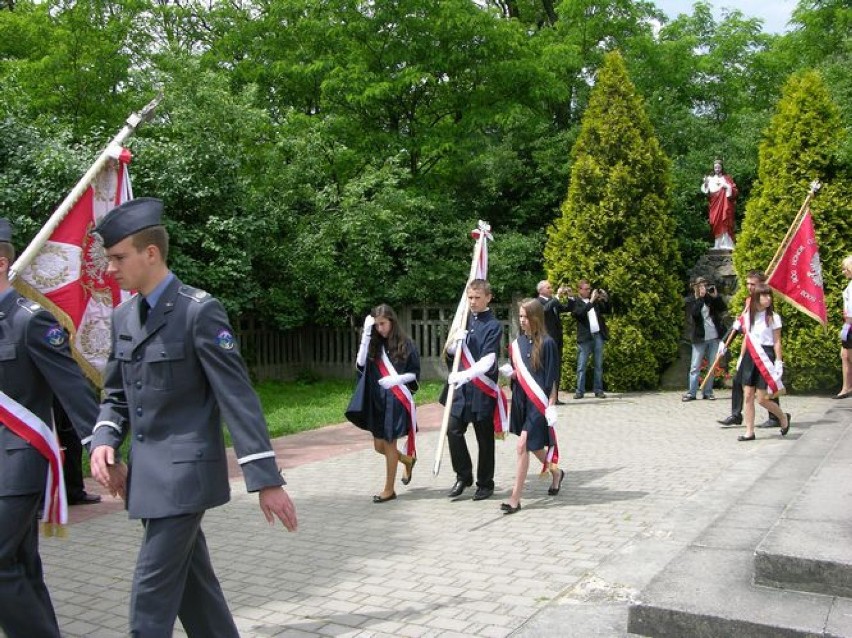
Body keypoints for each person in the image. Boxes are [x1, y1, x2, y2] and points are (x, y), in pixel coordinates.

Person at [88, 198, 297, 638]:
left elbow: (237, 397)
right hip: (148, 478)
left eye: (118, 257)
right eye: (109, 259)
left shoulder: (198, 311)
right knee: (193, 589)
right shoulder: (123, 316)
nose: (110, 269)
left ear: (151, 253)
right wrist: (105, 436)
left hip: (184, 479)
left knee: (151, 596)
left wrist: (266, 479)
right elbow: (116, 394)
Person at [0, 217, 101, 638]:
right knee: (20, 565)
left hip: (20, 461)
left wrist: (100, 444)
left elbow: (73, 388)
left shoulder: (30, 320)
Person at [345, 304, 420, 503]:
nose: (380, 328)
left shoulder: (406, 343)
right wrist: (366, 335)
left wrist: (396, 380)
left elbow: (414, 374)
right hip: (377, 399)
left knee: (388, 443)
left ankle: (389, 489)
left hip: (395, 399)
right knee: (379, 446)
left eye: (383, 324)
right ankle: (406, 459)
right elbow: (360, 365)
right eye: (376, 325)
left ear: (392, 322)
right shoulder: (373, 343)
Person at [499, 299, 564, 515]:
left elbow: (551, 378)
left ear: (536, 317)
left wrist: (552, 405)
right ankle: (556, 472)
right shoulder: (517, 343)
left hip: (538, 403)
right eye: (520, 316)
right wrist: (513, 374)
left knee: (522, 446)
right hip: (521, 401)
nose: (522, 321)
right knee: (534, 445)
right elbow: (522, 373)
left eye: (526, 317)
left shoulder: (548, 343)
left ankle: (515, 498)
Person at [444, 279, 503, 501]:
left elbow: (488, 360)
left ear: (488, 297)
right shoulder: (462, 319)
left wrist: (465, 375)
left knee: (484, 439)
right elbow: (449, 352)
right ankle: (463, 476)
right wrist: (452, 345)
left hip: (481, 389)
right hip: (461, 390)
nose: (473, 302)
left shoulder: (493, 325)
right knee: (453, 430)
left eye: (477, 297)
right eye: (470, 297)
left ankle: (485, 483)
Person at [717, 270, 781, 428]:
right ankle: (736, 414)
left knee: (767, 383)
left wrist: (779, 360)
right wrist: (725, 342)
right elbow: (741, 327)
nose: (749, 287)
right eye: (747, 284)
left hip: (764, 351)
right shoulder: (748, 302)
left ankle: (776, 416)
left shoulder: (767, 304)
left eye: (753, 284)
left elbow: (773, 335)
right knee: (739, 380)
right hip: (750, 351)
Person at [729, 284, 790, 442]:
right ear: (756, 298)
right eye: (764, 295)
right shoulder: (748, 316)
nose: (768, 298)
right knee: (748, 395)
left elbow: (777, 341)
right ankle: (749, 431)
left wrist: (778, 361)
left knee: (762, 398)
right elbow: (746, 339)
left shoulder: (773, 317)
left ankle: (783, 417)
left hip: (766, 355)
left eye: (769, 295)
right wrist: (741, 357)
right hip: (750, 355)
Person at [683, 277, 727, 401]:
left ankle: (708, 392)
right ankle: (691, 393)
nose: (704, 288)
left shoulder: (710, 299)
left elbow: (722, 308)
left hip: (714, 337)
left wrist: (716, 297)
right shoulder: (693, 300)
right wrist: (700, 298)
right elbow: (694, 314)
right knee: (695, 366)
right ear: (696, 287)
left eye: (705, 285)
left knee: (712, 366)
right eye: (701, 286)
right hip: (699, 338)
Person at [54, 397, 102, 505]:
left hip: (62, 392)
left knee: (72, 439)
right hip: (40, 395)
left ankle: (73, 492)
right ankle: (40, 502)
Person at [536, 280, 574, 404]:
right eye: (548, 287)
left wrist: (570, 296)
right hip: (546, 340)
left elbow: (568, 308)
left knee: (556, 368)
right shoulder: (538, 302)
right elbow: (545, 310)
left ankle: (555, 397)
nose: (551, 289)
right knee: (547, 367)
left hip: (557, 340)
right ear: (540, 290)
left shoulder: (553, 301)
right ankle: (544, 395)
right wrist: (557, 296)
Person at [572, 280, 609, 399]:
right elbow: (579, 314)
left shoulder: (595, 302)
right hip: (585, 338)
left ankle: (598, 390)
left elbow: (607, 310)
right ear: (580, 290)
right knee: (582, 366)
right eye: (586, 289)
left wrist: (605, 298)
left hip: (597, 335)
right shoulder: (576, 302)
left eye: (589, 289)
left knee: (598, 365)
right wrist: (592, 301)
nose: (589, 291)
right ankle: (579, 391)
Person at [701, 158, 738, 250]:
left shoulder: (726, 178)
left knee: (724, 221)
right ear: (713, 169)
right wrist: (705, 184)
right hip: (714, 204)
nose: (717, 169)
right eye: (715, 167)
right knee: (715, 222)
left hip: (725, 204)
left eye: (719, 167)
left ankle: (727, 244)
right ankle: (717, 244)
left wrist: (727, 186)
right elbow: (707, 192)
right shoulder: (710, 179)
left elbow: (735, 190)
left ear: (722, 168)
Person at [835, 255, 852, 399]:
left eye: (845, 268)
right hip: (848, 324)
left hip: (850, 324)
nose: (843, 271)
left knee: (848, 356)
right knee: (845, 355)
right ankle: (846, 387)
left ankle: (847, 387)